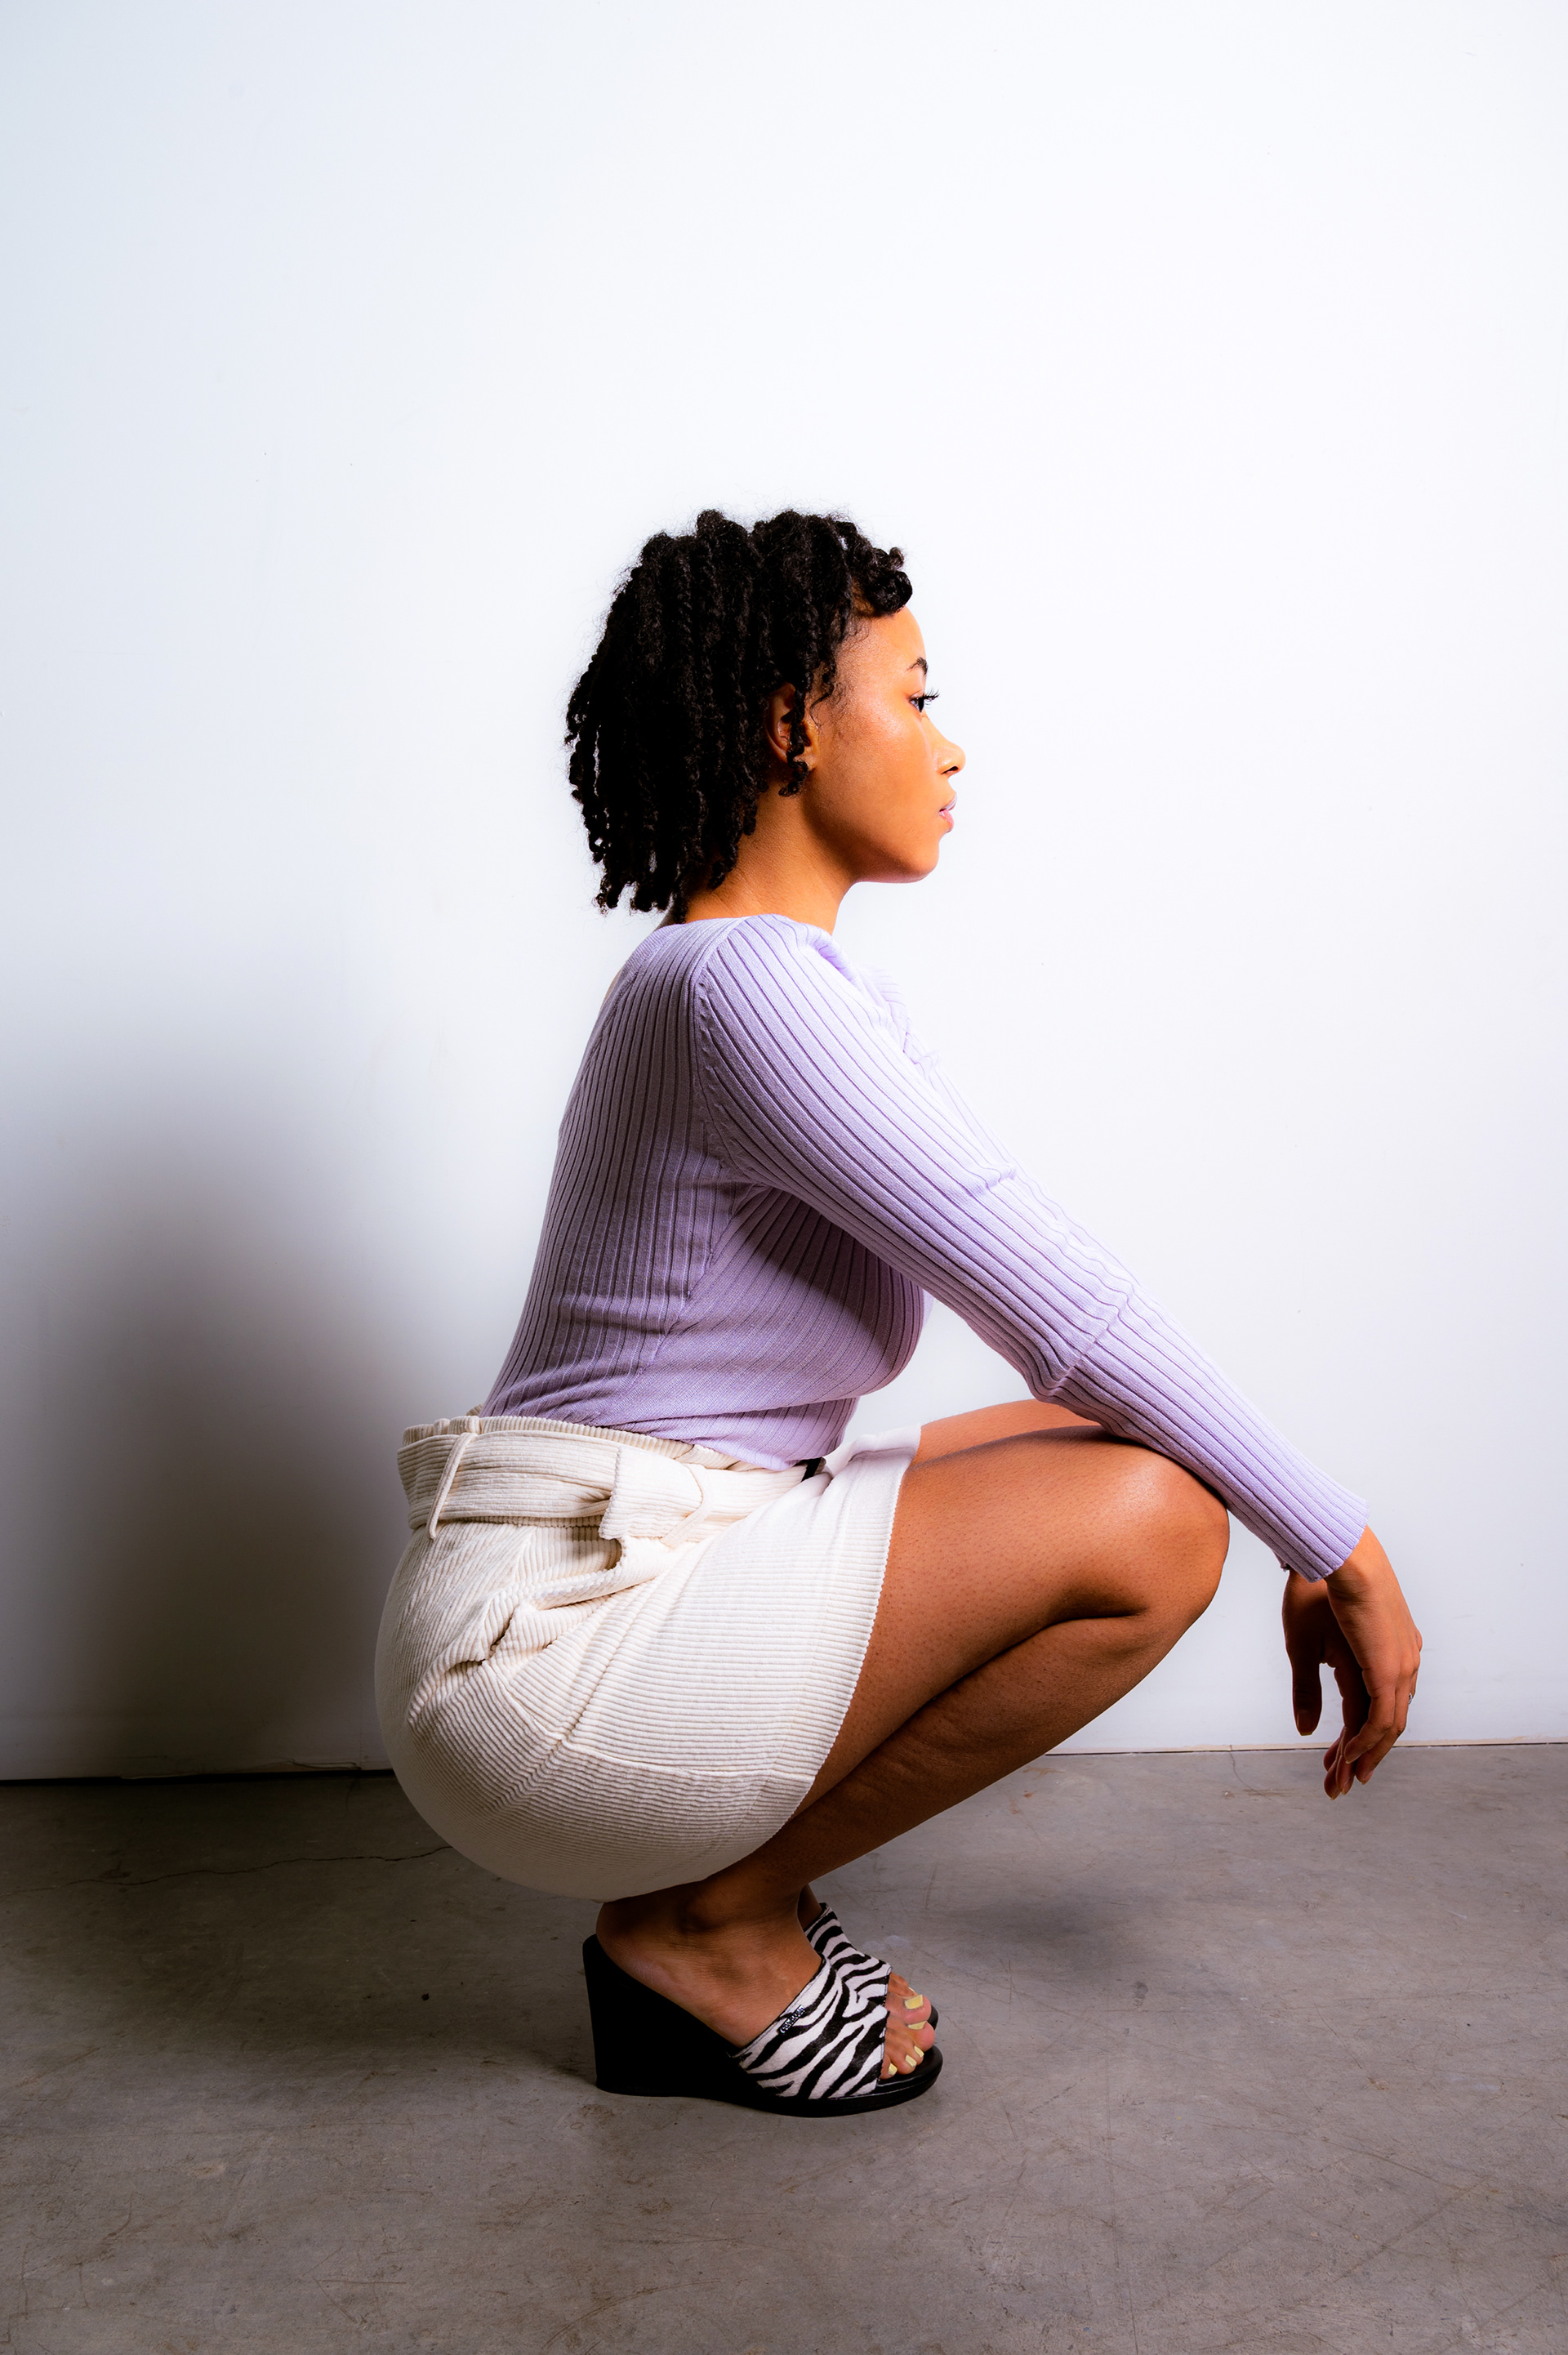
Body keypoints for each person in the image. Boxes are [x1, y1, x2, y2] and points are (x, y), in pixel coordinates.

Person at [376, 509, 1422, 2116]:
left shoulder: (767, 980)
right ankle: (706, 1921)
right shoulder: (743, 990)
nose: (949, 745)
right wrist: (1337, 1544)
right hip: (548, 1658)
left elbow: (1070, 1341)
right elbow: (1060, 1298)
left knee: (1111, 1447)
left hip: (646, 1556)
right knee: (1156, 1519)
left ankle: (711, 1902)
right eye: (917, 697)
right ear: (793, 724)